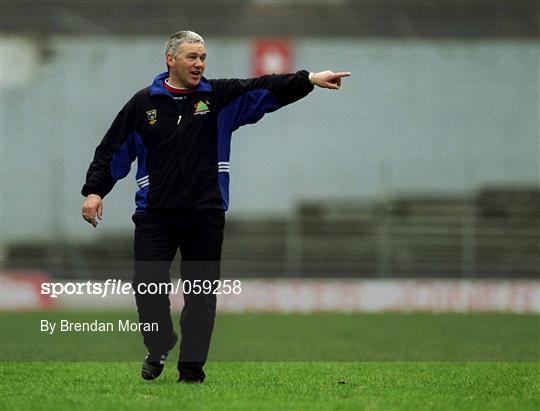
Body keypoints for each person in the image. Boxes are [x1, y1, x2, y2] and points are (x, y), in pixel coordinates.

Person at [81, 30, 350, 383]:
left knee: (201, 297)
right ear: (171, 60)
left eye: (203, 57)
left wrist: (310, 80)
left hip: (205, 215)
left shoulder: (220, 98)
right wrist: (95, 191)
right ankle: (159, 342)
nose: (199, 64)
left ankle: (191, 372)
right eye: (192, 57)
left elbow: (265, 87)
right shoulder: (142, 104)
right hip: (155, 216)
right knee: (147, 284)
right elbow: (113, 149)